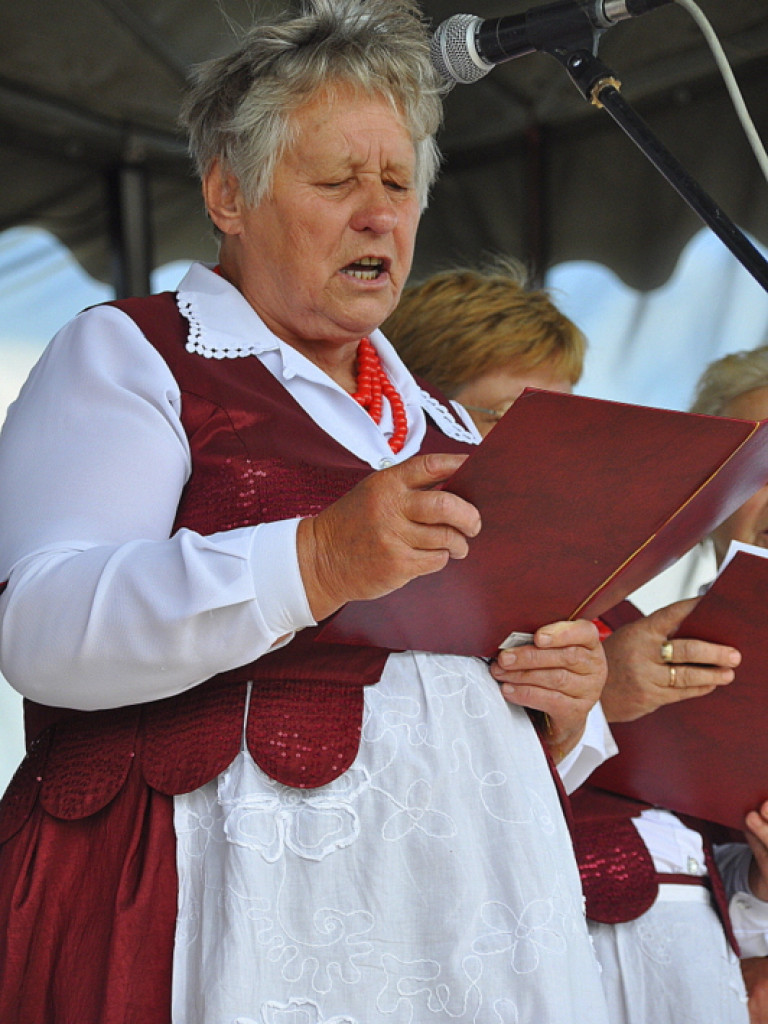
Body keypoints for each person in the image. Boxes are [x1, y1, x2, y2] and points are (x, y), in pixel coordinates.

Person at [0, 4, 613, 1022]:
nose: (379, 215)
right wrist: (313, 559)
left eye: (399, 184)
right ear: (228, 192)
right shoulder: (132, 354)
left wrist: (562, 691)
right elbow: (43, 626)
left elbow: (479, 692)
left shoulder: (448, 420)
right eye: (337, 181)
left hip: (457, 924)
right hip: (224, 909)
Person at [386, 262, 768, 1024]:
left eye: (559, 416)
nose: (544, 446)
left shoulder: (625, 612)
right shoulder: (391, 604)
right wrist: (606, 704)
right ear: (409, 415)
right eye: (503, 417)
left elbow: (692, 852)